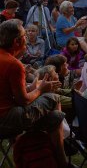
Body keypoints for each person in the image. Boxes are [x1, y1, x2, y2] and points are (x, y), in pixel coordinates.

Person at [0, 19, 68, 168]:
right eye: (25, 35)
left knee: (54, 117)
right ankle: (62, 158)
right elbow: (23, 100)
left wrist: (33, 87)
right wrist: (40, 89)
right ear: (17, 41)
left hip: (6, 113)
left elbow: (10, 94)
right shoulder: (13, 64)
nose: (27, 39)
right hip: (6, 120)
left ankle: (39, 152)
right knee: (54, 97)